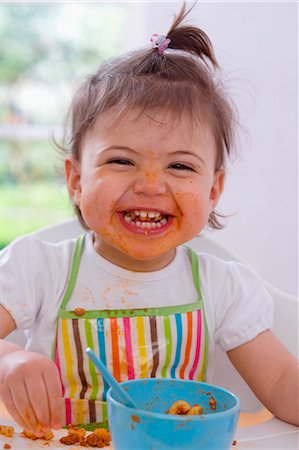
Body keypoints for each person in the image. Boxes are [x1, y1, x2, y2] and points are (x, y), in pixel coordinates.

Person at [0, 3, 298, 436]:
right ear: (76, 180)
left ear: (212, 191)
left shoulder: (225, 288)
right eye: (122, 160)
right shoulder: (37, 269)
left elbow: (281, 382)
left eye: (180, 167)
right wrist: (8, 359)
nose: (151, 184)